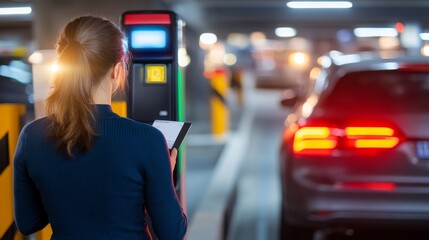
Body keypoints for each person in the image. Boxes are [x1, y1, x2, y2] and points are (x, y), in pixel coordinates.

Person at [13, 16, 187, 240]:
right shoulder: (148, 139)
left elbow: (29, 222)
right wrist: (164, 174)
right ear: (116, 70)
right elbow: (172, 233)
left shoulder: (32, 136)